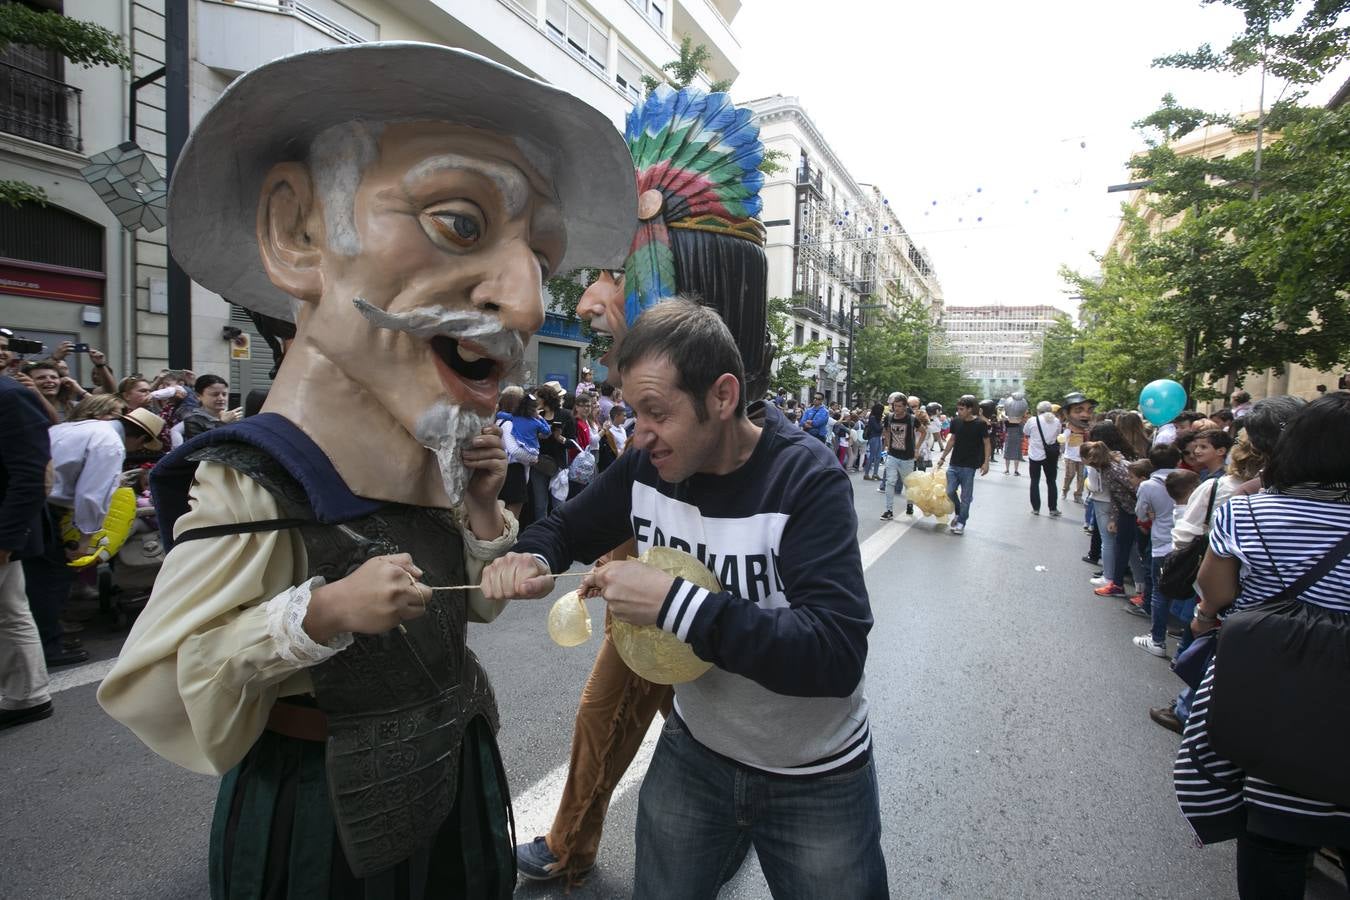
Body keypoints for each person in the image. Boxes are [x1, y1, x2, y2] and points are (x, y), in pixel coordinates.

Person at [96, 41, 636, 898]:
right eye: (460, 221)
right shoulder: (254, 477)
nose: (529, 301)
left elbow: (466, 610)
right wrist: (323, 611)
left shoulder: (437, 453)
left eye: (540, 256)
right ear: (298, 231)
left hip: (455, 778)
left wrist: (493, 528)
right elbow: (161, 679)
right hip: (320, 818)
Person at [481, 300, 887, 898]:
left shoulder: (806, 478)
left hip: (815, 775)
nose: (639, 434)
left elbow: (835, 652)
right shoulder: (648, 465)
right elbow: (568, 526)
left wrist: (676, 603)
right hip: (694, 756)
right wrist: (533, 557)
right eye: (631, 410)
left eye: (656, 412)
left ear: (722, 397)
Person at [1175, 392, 1350, 897]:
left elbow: (1217, 592)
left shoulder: (1248, 512)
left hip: (1274, 695)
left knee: (1274, 837)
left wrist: (1206, 619)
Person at [25, 406, 164, 667]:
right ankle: (47, 647)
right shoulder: (110, 443)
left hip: (33, 501)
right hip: (46, 506)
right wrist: (86, 538)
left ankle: (40, 642)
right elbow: (91, 494)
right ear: (140, 439)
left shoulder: (76, 427)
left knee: (35, 578)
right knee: (51, 580)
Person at [0, 372, 54, 729]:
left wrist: (6, 539)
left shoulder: (10, 396)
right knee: (9, 609)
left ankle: (28, 696)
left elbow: (32, 473)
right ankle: (27, 695)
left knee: (10, 611)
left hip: (4, 528)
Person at [938, 395, 991, 535]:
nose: (959, 412)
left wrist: (986, 462)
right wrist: (943, 457)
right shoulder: (955, 422)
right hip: (954, 463)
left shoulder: (980, 424)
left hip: (969, 466)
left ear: (970, 409)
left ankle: (961, 522)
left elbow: (987, 443)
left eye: (962, 409)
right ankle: (959, 511)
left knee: (966, 496)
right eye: (958, 409)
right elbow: (952, 440)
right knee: (949, 491)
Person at [880, 395, 917, 520]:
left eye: (899, 406)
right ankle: (888, 510)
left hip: (907, 457)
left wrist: (917, 448)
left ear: (905, 407)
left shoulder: (911, 419)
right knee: (890, 482)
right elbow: (886, 430)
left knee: (908, 484)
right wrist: (888, 445)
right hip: (893, 455)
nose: (896, 408)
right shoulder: (889, 417)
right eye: (895, 406)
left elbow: (923, 430)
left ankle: (910, 504)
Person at [1025, 400, 1062, 516]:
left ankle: (1036, 508)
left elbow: (1025, 431)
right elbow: (1058, 435)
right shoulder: (1057, 421)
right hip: (1050, 455)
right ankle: (1053, 508)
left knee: (1034, 481)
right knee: (1051, 481)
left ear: (1038, 410)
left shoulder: (1032, 420)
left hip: (1035, 455)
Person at [179, 374, 242, 442]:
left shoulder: (232, 415)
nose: (221, 398)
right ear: (198, 396)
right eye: (215, 394)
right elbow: (202, 446)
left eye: (224, 394)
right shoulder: (193, 420)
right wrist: (222, 423)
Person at [1060, 391, 1095, 503]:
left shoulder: (1088, 430)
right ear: (1067, 413)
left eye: (1089, 410)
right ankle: (1065, 490)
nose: (1085, 415)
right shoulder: (1069, 429)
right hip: (1070, 456)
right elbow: (1063, 438)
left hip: (1083, 457)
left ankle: (1078, 495)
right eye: (1078, 410)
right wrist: (1062, 438)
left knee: (1081, 477)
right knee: (1070, 475)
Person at [1002, 390, 1028, 475]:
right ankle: (1016, 471)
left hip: (1009, 437)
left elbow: (1004, 426)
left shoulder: (1007, 420)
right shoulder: (1020, 421)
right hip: (1017, 438)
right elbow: (1023, 430)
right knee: (1016, 454)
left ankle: (1007, 469)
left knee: (1008, 454)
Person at [862, 403, 885, 481]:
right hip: (874, 437)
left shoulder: (875, 418)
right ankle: (866, 474)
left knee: (878, 456)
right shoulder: (872, 418)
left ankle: (875, 473)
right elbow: (877, 428)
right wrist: (883, 424)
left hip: (878, 437)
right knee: (872, 456)